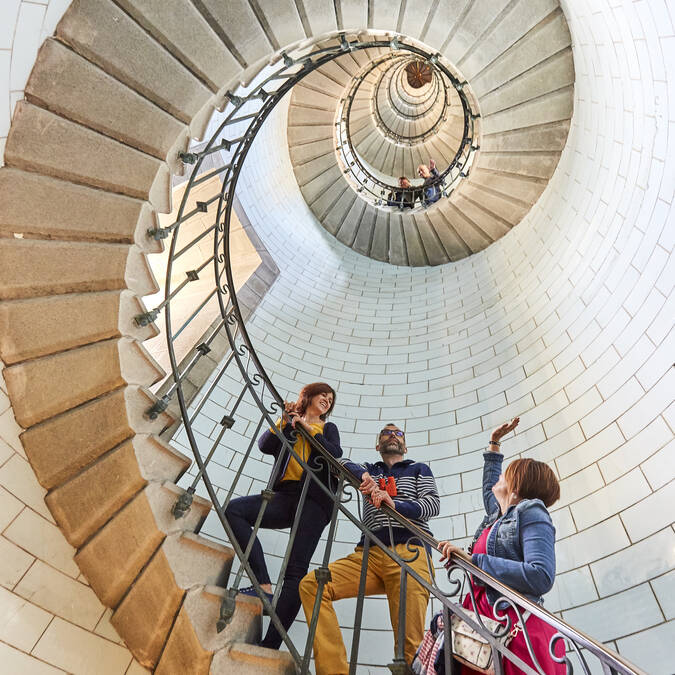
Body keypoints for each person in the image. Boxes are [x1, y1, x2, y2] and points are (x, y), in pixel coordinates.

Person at [299, 423, 440, 674]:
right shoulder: (368, 470)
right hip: (368, 554)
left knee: (409, 647)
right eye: (386, 433)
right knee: (313, 585)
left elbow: (431, 504)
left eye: (398, 434)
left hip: (410, 552)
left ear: (405, 446)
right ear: (378, 445)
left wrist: (394, 504)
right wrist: (363, 476)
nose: (392, 436)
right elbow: (339, 461)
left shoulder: (419, 469)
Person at [435, 417, 565, 674]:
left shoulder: (532, 512)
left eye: (507, 472)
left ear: (516, 485)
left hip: (510, 626)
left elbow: (541, 575)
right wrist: (494, 443)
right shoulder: (497, 518)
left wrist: (475, 562)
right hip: (482, 621)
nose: (500, 476)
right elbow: (489, 488)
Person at [224, 382, 341, 650]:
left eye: (331, 399)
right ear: (309, 396)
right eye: (323, 394)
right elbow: (265, 445)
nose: (327, 400)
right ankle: (263, 585)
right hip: (286, 495)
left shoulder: (327, 428)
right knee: (235, 510)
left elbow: (335, 454)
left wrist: (307, 428)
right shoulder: (290, 420)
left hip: (314, 500)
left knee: (295, 571)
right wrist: (288, 421)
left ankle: (270, 645)